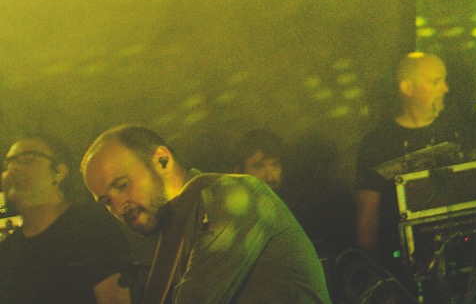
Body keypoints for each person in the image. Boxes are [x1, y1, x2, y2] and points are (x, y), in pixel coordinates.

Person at [81, 126, 327, 304]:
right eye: (106, 201)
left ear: (162, 160)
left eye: (122, 185)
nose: (119, 206)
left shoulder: (232, 195)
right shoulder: (174, 232)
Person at [0, 134, 134, 304]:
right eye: (8, 164)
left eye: (28, 160)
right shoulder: (7, 251)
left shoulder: (91, 228)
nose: (14, 168)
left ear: (59, 172)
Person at [352, 52, 459, 263]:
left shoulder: (457, 132)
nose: (445, 88)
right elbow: (367, 221)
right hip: (405, 262)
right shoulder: (377, 144)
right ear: (408, 88)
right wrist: (377, 273)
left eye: (444, 80)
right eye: (435, 82)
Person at [227, 132, 350, 262]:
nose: (270, 177)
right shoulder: (228, 213)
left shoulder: (297, 208)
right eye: (259, 167)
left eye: (274, 165)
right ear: (237, 171)